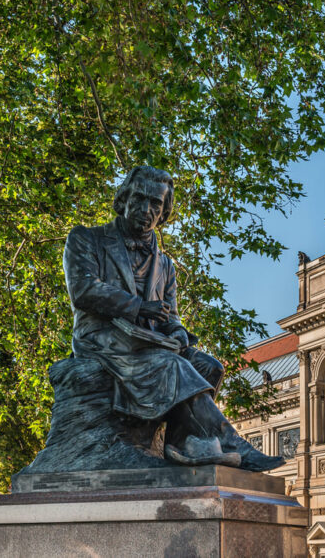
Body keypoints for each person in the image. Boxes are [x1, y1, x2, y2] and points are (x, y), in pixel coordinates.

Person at [36, 165, 284, 473]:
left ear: (164, 211)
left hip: (151, 343)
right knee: (173, 366)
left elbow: (171, 315)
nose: (147, 209)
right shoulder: (87, 239)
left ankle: (181, 444)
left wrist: (177, 332)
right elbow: (84, 290)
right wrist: (138, 306)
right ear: (124, 199)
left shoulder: (165, 264)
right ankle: (232, 444)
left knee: (210, 366)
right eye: (140, 199)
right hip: (103, 338)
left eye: (156, 204)